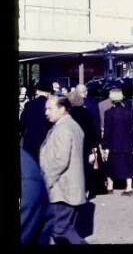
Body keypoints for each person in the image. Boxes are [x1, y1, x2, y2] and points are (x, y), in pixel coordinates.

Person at [39, 95, 87, 244]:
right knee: (61, 230)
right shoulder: (68, 125)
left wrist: (46, 182)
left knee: (61, 229)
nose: (46, 112)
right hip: (67, 189)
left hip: (63, 190)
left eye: (49, 109)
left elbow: (60, 161)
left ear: (62, 109)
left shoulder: (64, 128)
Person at [103, 85, 133, 196]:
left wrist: (105, 146)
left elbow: (107, 131)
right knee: (127, 165)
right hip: (126, 143)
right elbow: (132, 129)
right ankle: (129, 187)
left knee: (111, 165)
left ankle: (110, 186)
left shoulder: (108, 113)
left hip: (114, 144)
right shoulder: (129, 111)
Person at [20, 147, 53, 244]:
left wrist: (49, 179)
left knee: (64, 227)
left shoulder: (26, 181)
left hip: (61, 186)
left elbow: (61, 162)